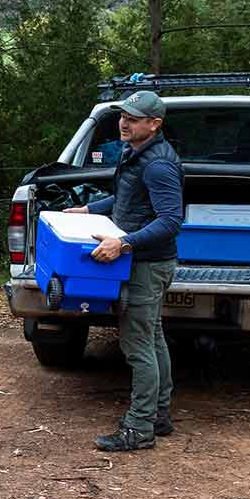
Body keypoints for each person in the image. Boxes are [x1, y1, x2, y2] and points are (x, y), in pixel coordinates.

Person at [67, 89, 184, 452]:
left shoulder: (158, 164)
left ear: (154, 124)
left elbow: (171, 220)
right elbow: (127, 198)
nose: (123, 122)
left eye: (132, 118)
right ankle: (158, 416)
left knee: (136, 345)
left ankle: (139, 428)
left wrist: (125, 243)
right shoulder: (137, 154)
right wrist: (89, 211)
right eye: (123, 116)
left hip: (146, 265)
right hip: (148, 262)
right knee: (153, 338)